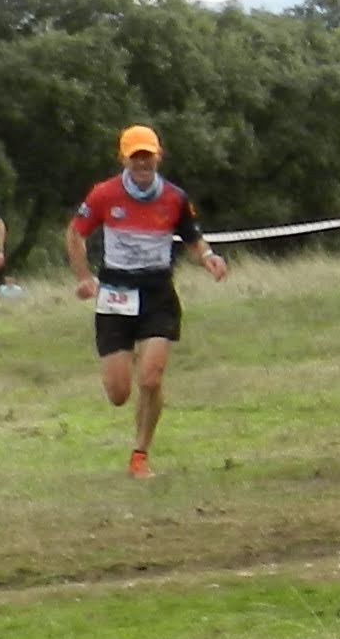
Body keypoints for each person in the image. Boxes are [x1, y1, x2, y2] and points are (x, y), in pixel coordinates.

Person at [67, 126, 230, 477]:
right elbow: (75, 233)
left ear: (159, 155)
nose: (142, 162)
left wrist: (208, 258)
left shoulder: (174, 197)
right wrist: (83, 277)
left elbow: (192, 236)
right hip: (115, 293)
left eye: (148, 155)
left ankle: (140, 454)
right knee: (118, 393)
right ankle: (124, 377)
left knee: (152, 378)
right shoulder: (103, 195)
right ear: (123, 158)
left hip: (157, 292)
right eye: (135, 155)